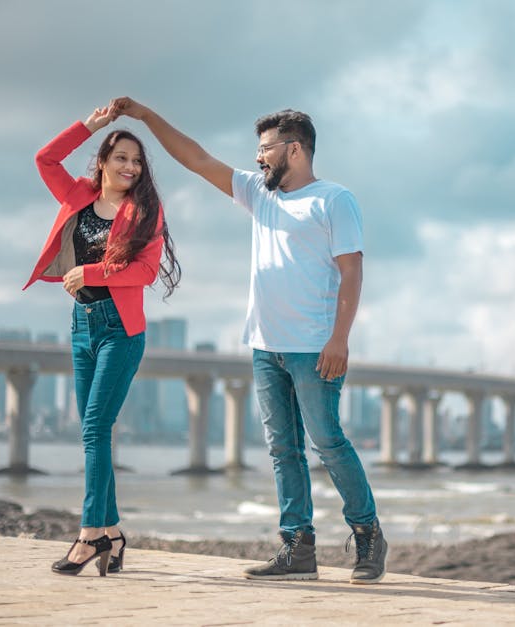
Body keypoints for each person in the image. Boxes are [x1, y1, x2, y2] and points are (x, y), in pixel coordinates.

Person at [109, 97, 387, 584]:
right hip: (265, 346)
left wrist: (340, 340)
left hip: (314, 347)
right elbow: (197, 159)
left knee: (327, 442)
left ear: (295, 149)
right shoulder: (259, 193)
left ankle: (367, 535)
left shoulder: (334, 200)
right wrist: (147, 116)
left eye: (266, 148)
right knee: (283, 449)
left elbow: (352, 272)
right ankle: (298, 549)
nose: (258, 157)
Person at [24, 106, 181, 576]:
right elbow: (44, 159)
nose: (130, 168)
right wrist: (89, 126)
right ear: (103, 161)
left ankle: (89, 535)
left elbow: (146, 272)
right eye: (121, 158)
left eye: (137, 161)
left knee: (94, 430)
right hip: (81, 326)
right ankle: (112, 532)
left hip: (121, 330)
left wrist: (88, 271)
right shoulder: (77, 195)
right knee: (94, 433)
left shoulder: (145, 211)